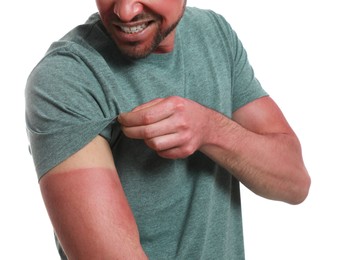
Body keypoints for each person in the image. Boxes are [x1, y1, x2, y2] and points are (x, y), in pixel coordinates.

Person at [25, 0, 311, 259]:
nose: (125, 11)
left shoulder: (214, 34)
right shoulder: (68, 78)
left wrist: (210, 129)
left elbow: (295, 182)